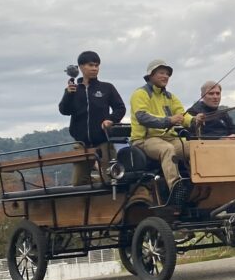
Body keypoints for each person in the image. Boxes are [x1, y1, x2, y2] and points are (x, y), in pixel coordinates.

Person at [130, 59, 204, 205]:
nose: (165, 76)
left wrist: (194, 120)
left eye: (167, 74)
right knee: (167, 150)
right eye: (161, 73)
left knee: (197, 148)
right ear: (151, 75)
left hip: (168, 138)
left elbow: (182, 115)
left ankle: (204, 184)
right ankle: (176, 189)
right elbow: (142, 117)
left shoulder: (170, 97)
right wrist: (168, 120)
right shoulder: (140, 94)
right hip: (144, 140)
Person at [58, 50, 125, 185]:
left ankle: (105, 187)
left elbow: (120, 108)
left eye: (97, 65)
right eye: (91, 65)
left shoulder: (107, 88)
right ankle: (96, 181)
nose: (95, 68)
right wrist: (68, 95)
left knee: (111, 180)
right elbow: (64, 111)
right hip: (81, 143)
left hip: (103, 140)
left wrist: (111, 120)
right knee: (78, 183)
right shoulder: (73, 90)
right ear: (81, 67)